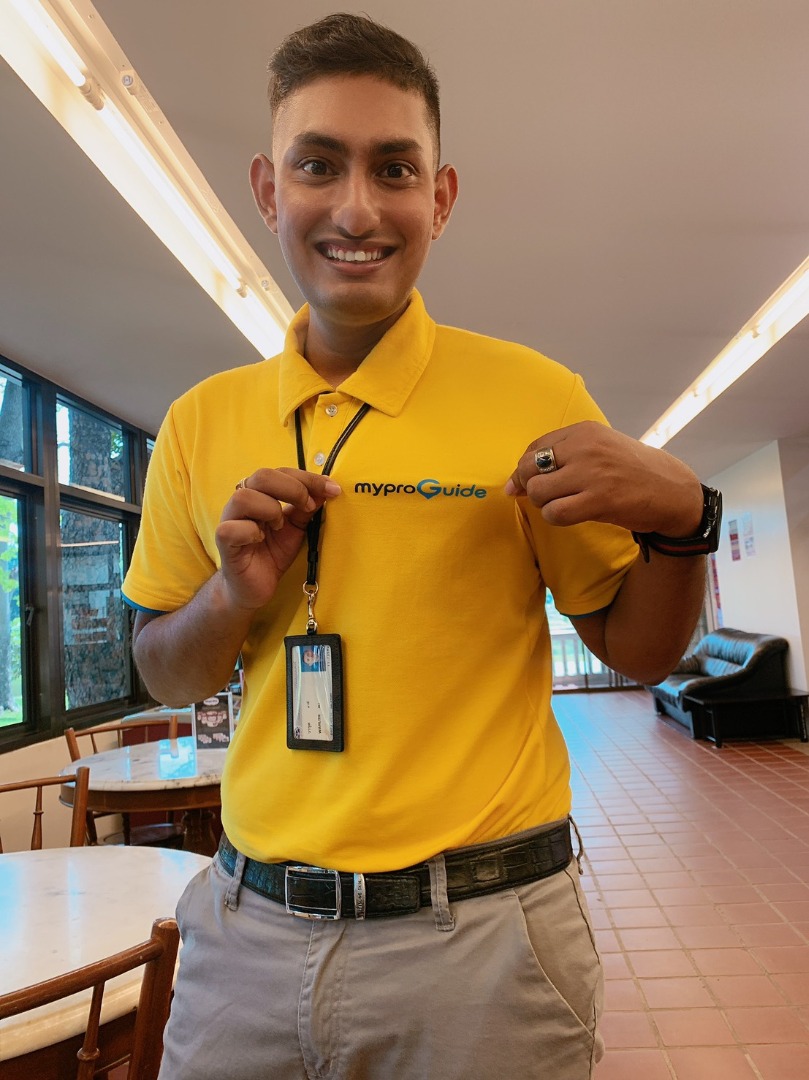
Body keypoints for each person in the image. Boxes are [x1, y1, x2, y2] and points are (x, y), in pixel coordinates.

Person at [122, 13, 720, 1080]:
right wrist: (229, 598)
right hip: (248, 937)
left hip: (483, 944)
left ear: (438, 198)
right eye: (317, 164)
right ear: (267, 190)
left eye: (393, 169)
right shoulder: (198, 422)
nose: (356, 208)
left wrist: (686, 523)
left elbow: (635, 651)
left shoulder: (533, 395)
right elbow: (164, 668)